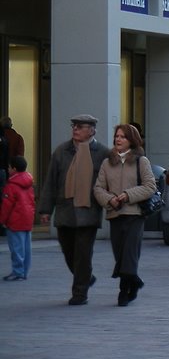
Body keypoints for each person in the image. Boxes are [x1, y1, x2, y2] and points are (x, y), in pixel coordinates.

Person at [38, 113, 109, 305]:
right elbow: (51, 181)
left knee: (83, 254)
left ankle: (80, 293)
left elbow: (109, 182)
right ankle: (86, 277)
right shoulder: (62, 151)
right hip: (65, 210)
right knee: (68, 251)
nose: (75, 129)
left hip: (88, 211)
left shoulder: (102, 153)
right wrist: (45, 209)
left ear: (92, 130)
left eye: (80, 126)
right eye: (74, 126)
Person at [92, 124, 157, 305]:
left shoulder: (141, 161)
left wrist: (128, 195)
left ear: (132, 140)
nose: (118, 140)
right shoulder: (107, 162)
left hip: (135, 214)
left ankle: (123, 291)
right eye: (117, 136)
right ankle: (135, 282)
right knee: (120, 253)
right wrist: (109, 200)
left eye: (123, 137)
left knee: (129, 253)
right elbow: (98, 188)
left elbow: (150, 186)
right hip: (115, 214)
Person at [1, 156, 34, 281]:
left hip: (15, 220)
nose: (8, 169)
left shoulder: (11, 185)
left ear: (14, 168)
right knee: (26, 247)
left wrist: (2, 220)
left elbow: (6, 206)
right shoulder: (29, 182)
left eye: (9, 167)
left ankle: (17, 271)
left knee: (16, 248)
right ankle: (24, 271)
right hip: (27, 218)